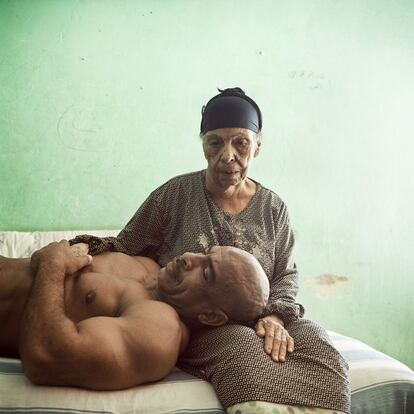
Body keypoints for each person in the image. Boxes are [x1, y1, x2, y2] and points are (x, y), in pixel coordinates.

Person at [71, 87, 351, 413]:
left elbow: (286, 272)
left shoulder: (273, 208)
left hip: (264, 315)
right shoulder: (175, 195)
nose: (227, 155)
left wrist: (276, 315)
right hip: (201, 322)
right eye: (215, 142)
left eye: (240, 142)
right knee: (240, 345)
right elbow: (125, 245)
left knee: (312, 338)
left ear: (257, 146)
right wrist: (77, 255)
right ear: (203, 143)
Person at [0, 240, 269, 389]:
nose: (188, 256)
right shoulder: (146, 265)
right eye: (204, 253)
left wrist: (52, 263)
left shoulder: (159, 330)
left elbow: (47, 357)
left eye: (206, 272)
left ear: (211, 316)